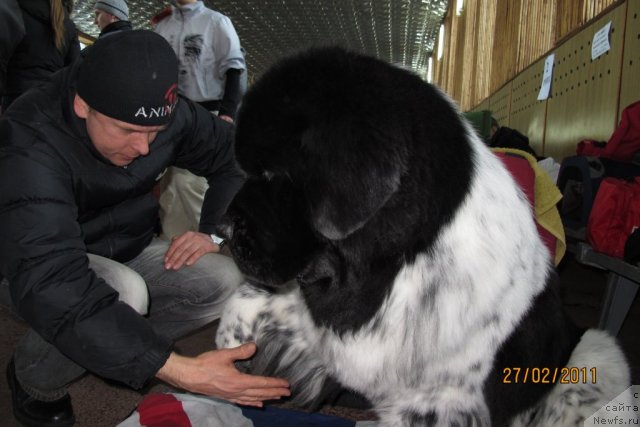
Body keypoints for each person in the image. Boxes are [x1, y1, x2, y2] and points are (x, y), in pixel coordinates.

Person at [0, 30, 289, 427]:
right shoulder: (28, 138)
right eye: (128, 132)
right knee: (122, 292)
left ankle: (108, 347)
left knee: (225, 274)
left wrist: (214, 233)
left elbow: (234, 157)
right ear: (83, 105)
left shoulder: (169, 116)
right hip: (33, 267)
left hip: (125, 248)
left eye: (154, 133)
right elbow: (50, 278)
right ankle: (33, 380)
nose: (144, 149)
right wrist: (180, 370)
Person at [154, 0, 247, 240]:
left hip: (208, 114)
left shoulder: (215, 22)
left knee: (194, 185)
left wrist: (227, 113)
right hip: (170, 116)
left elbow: (234, 69)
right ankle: (172, 244)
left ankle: (202, 244)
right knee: (171, 186)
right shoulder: (163, 25)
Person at [1, 0, 80, 112]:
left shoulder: (13, 9)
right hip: (47, 103)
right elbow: (72, 71)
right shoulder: (68, 25)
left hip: (13, 98)